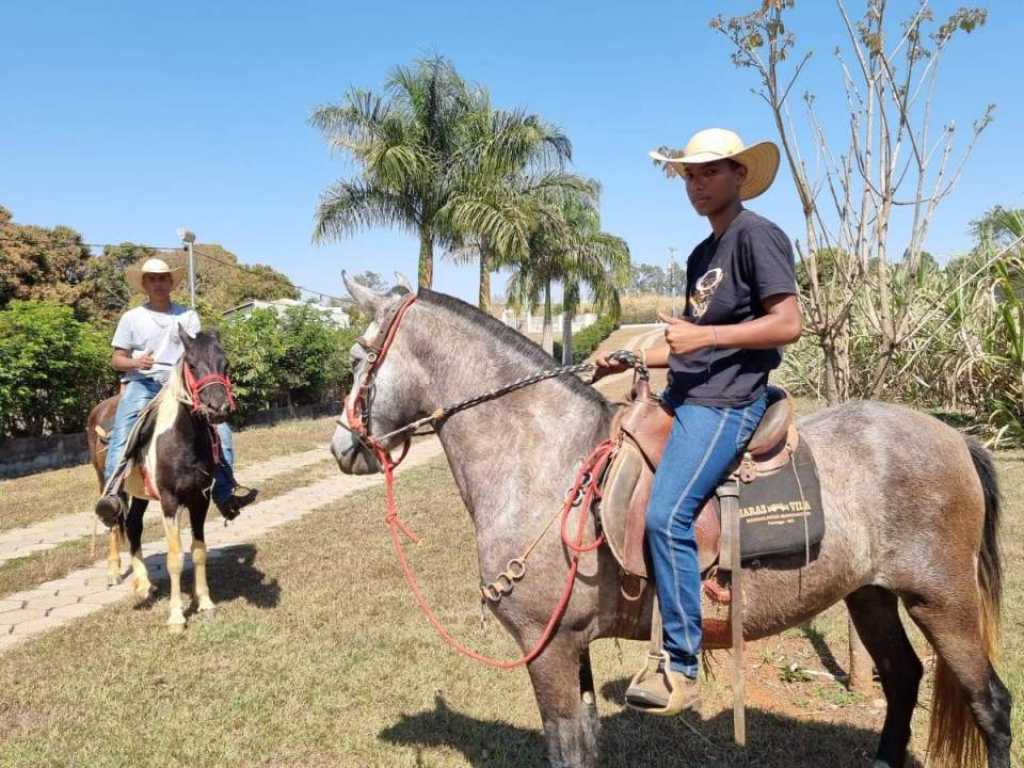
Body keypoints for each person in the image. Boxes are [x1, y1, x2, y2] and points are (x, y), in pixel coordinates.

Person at [596, 128, 802, 716]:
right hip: (687, 393)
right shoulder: (700, 255)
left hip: (728, 401)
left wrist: (706, 335)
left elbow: (787, 323)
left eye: (709, 172)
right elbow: (684, 343)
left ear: (740, 174)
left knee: (667, 513)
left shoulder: (757, 236)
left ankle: (680, 667)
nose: (697, 183)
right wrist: (632, 355)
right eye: (689, 174)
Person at [94, 257, 257, 526]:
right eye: (152, 279)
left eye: (163, 278)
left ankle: (225, 493)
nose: (158, 283)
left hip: (179, 385)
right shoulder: (132, 318)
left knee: (221, 430)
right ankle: (113, 494)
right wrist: (136, 362)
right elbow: (116, 359)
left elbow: (197, 354)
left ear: (171, 283)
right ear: (144, 284)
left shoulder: (187, 316)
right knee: (124, 430)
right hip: (143, 383)